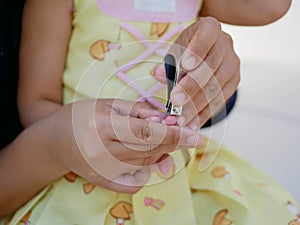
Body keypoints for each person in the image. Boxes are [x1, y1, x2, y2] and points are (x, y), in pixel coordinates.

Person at [2, 0, 299, 225]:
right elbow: (36, 101)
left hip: (178, 171)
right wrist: (74, 137)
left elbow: (271, 6)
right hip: (79, 172)